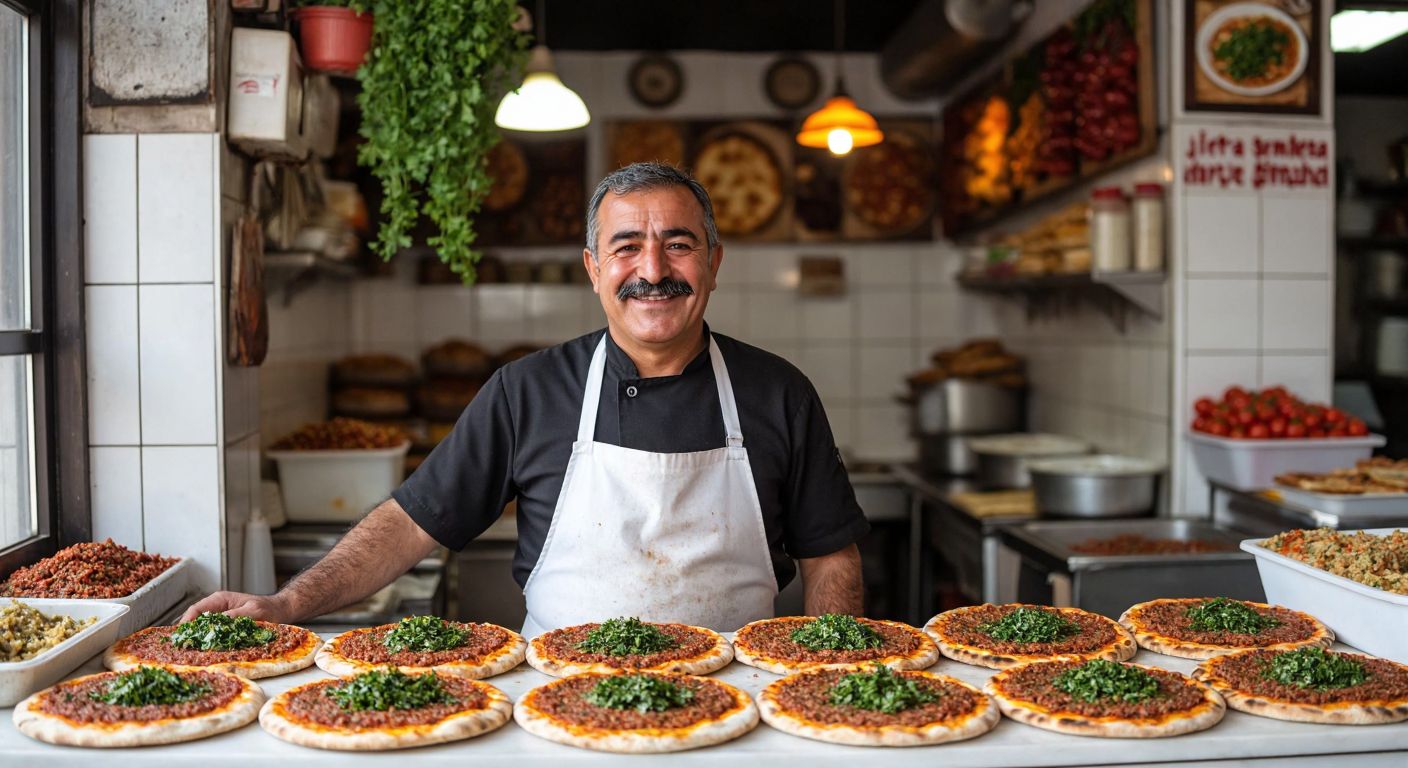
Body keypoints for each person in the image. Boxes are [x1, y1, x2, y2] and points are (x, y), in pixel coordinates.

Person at [185, 163, 869, 634]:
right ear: (594, 270)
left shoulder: (779, 394)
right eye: (626, 247)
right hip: (557, 709)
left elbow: (830, 557)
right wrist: (287, 601)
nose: (653, 270)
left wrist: (827, 674)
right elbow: (410, 523)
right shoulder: (529, 390)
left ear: (714, 263)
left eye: (679, 245)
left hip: (737, 711)